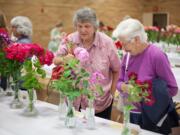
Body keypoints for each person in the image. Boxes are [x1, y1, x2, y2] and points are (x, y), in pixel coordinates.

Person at [113, 18, 179, 134]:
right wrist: (124, 87)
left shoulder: (156, 56)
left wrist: (147, 96)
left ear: (137, 39)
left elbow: (172, 89)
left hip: (153, 117)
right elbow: (119, 82)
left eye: (124, 43)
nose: (123, 48)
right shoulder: (127, 56)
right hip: (131, 114)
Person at [54, 7, 120, 120]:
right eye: (79, 26)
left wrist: (112, 94)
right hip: (73, 100)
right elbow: (55, 60)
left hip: (100, 104)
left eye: (87, 26)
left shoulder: (107, 43)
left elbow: (117, 69)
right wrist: (64, 59)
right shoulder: (70, 39)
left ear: (95, 27)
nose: (83, 30)